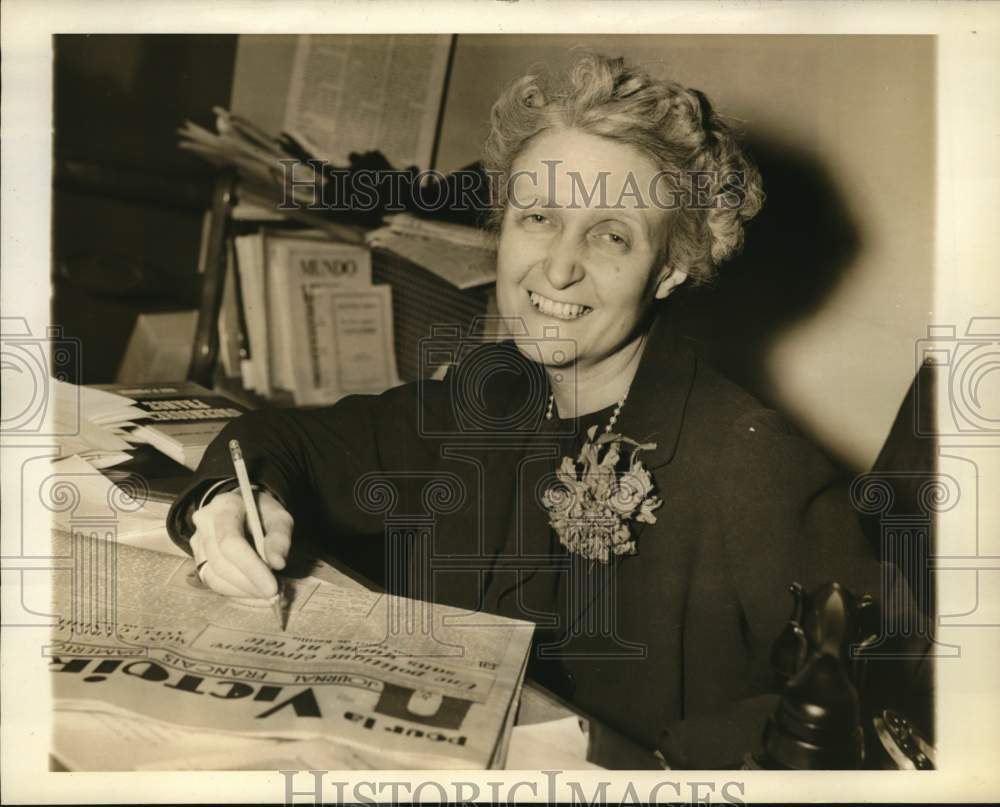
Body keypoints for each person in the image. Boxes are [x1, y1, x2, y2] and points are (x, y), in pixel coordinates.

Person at [167, 53, 918, 768]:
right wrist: (232, 498)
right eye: (538, 219)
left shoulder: (752, 461)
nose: (558, 266)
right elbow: (287, 438)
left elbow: (898, 674)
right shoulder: (493, 394)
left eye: (612, 236)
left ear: (672, 269)